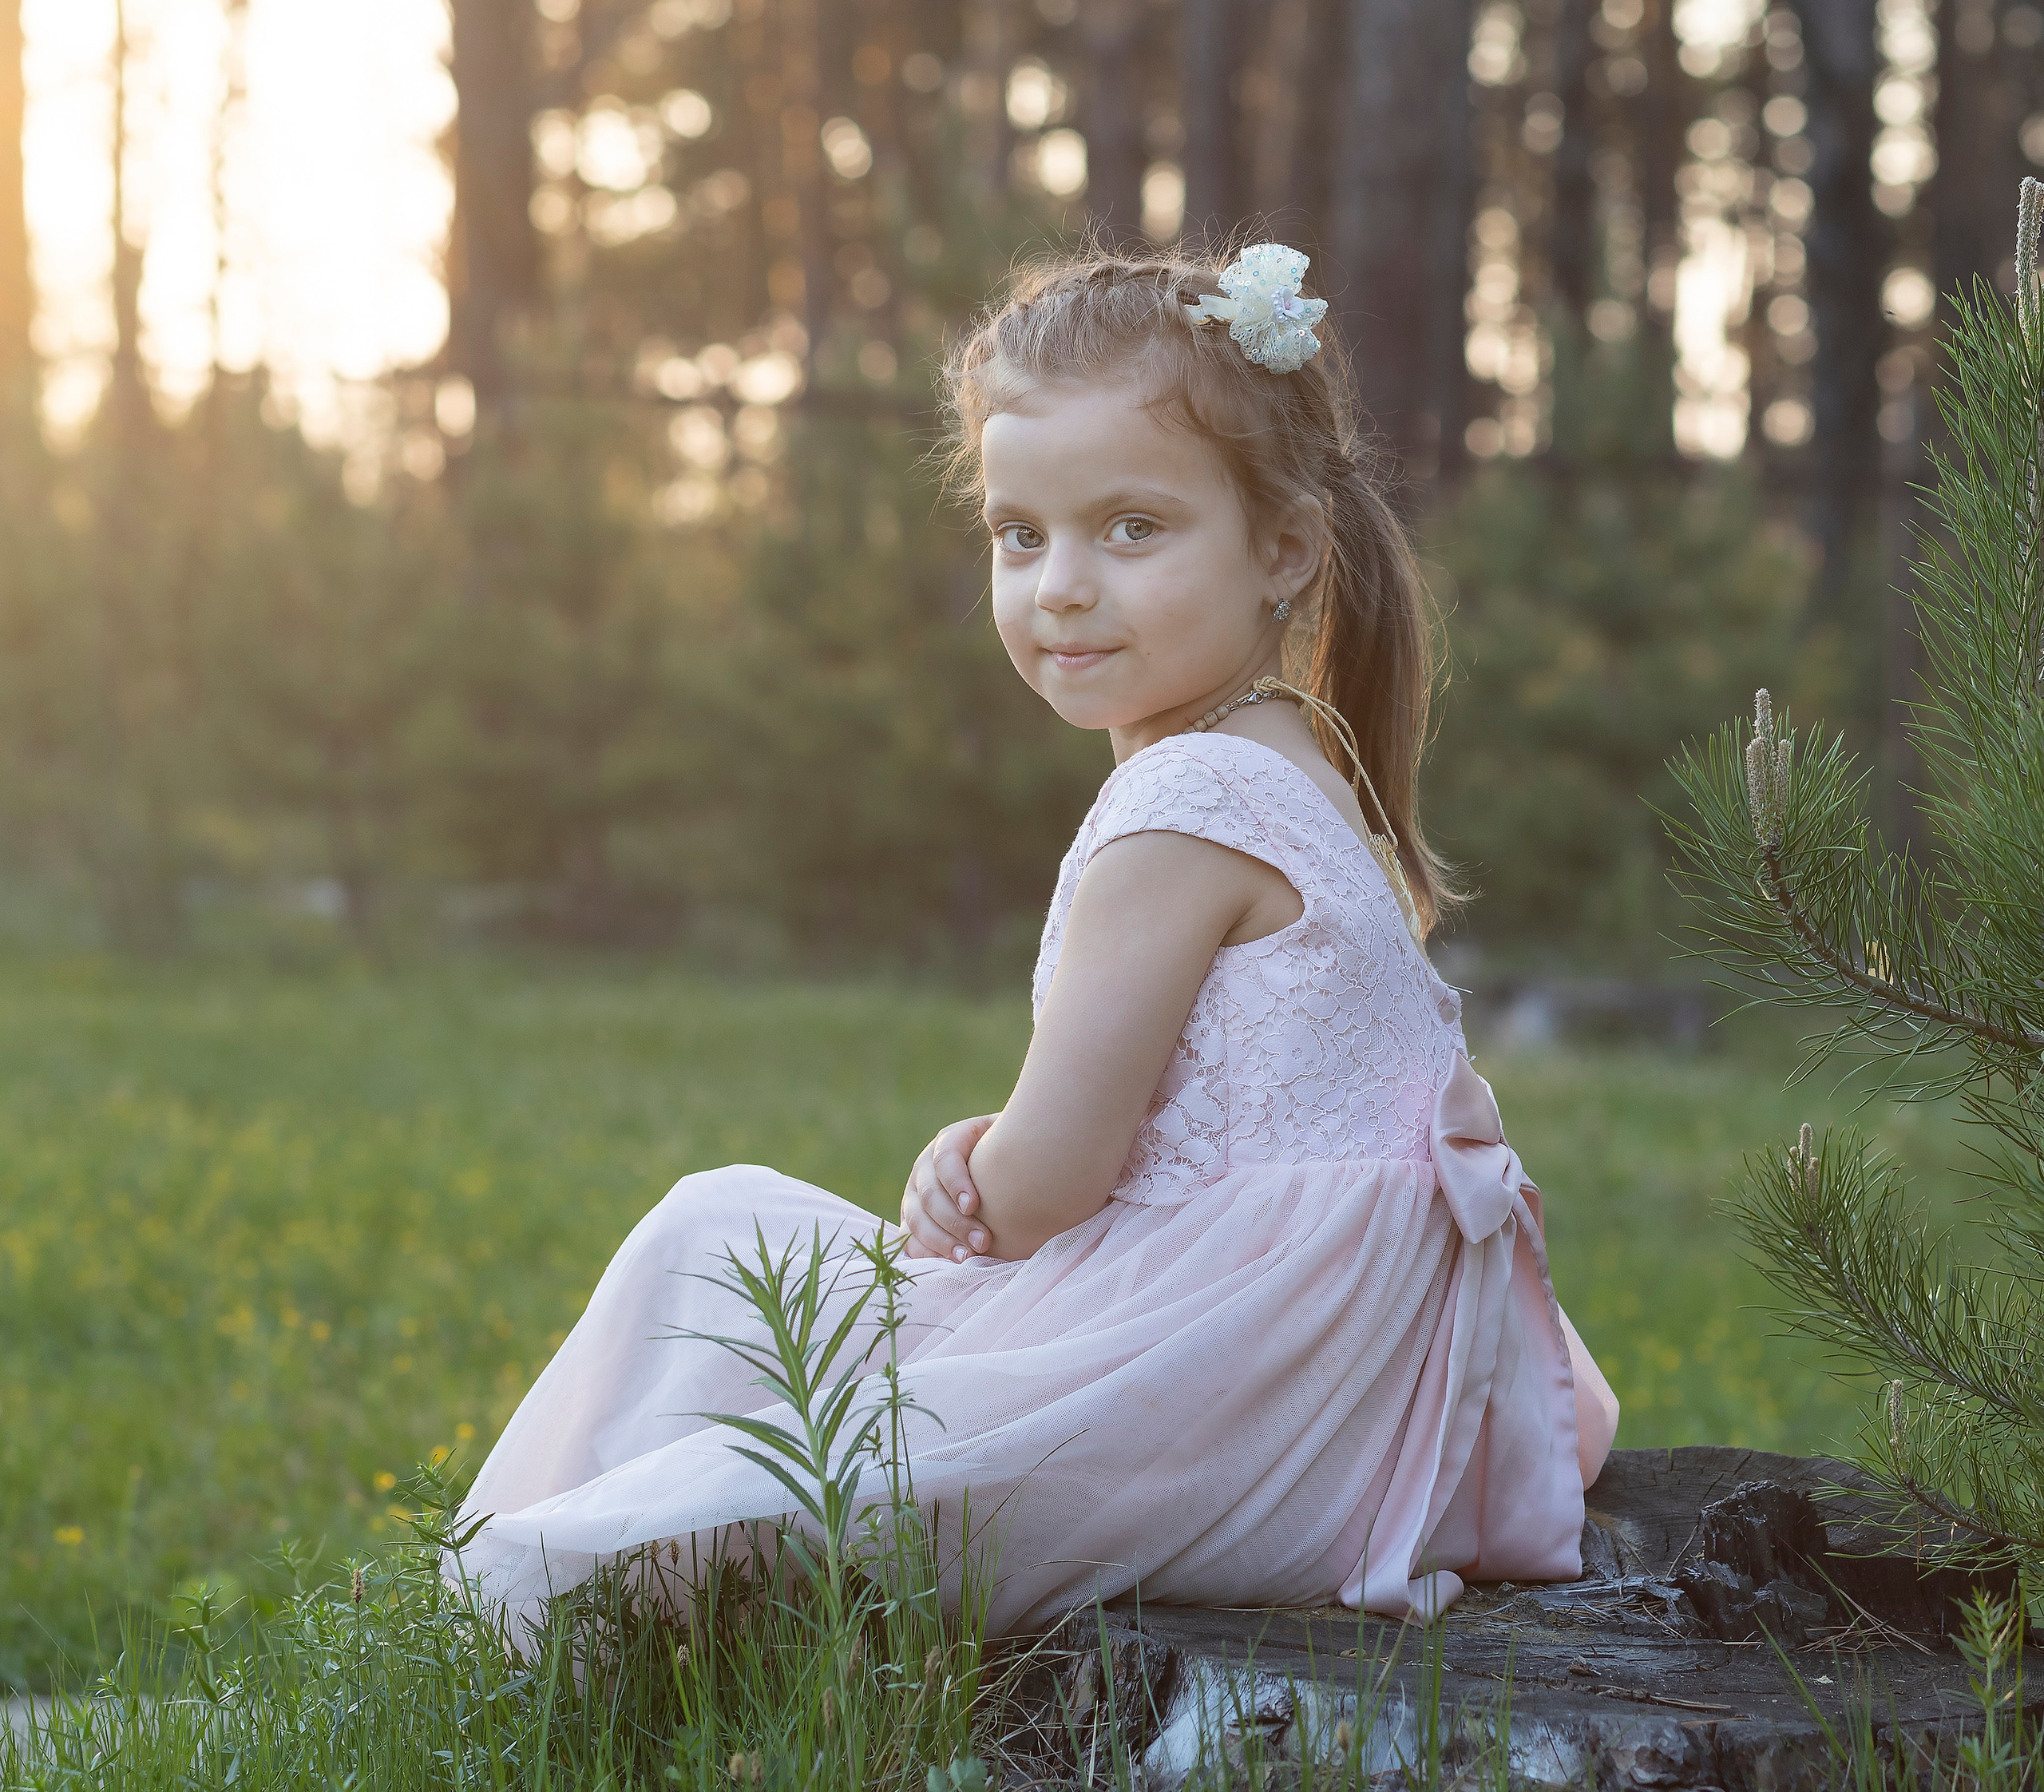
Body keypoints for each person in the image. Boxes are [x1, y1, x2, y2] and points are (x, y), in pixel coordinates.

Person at [454, 242, 1617, 1642]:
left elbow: (1052, 1184)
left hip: (1239, 1394)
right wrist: (1002, 1161)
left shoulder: (1184, 804)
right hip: (1370, 1392)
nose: (1062, 585)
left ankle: (507, 1627)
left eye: (1131, 529)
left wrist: (965, 1180)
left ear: (1285, 551)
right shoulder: (1299, 754)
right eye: (1021, 535)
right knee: (767, 1319)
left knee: (713, 1241)